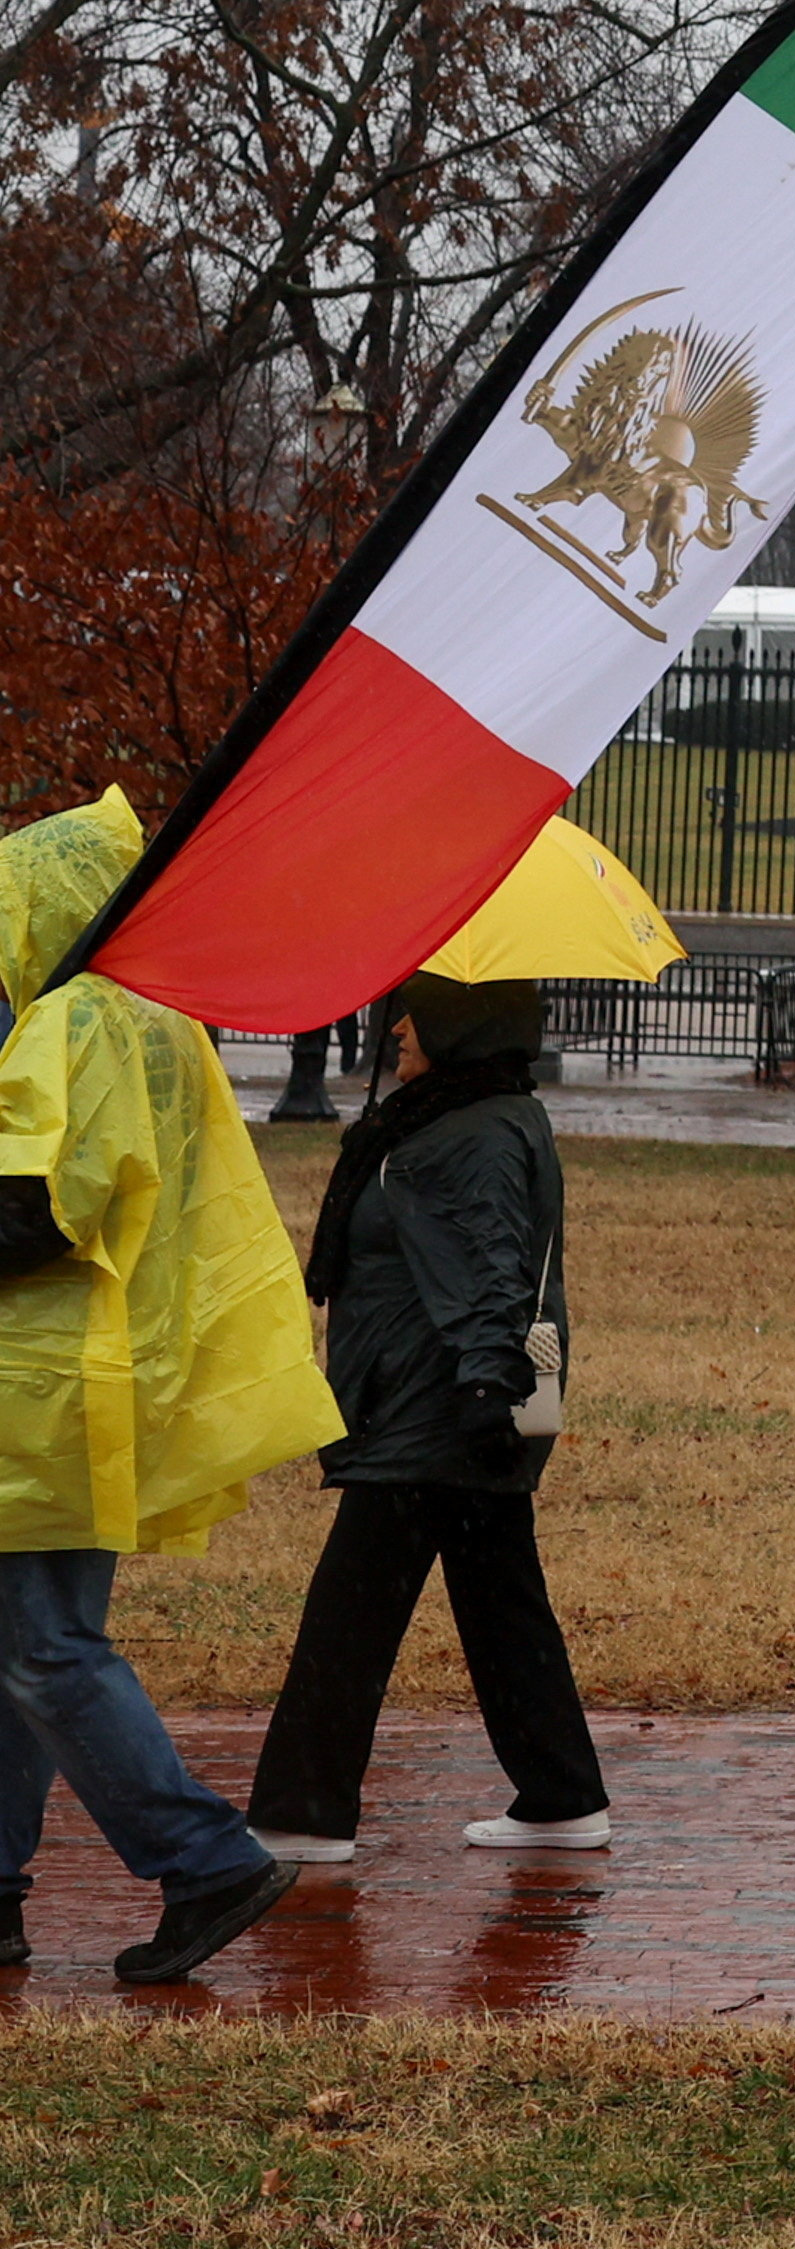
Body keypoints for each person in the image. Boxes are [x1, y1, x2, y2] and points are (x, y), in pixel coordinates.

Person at [0, 787, 340, 1983]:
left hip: (39, 1388)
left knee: (43, 1646)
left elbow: (30, 1208)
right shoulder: (153, 1019)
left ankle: (206, 1861)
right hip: (86, 1381)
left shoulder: (72, 1024)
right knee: (25, 1639)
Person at [242, 972, 609, 1861]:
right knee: (501, 1604)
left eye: (417, 1008)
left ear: (466, 1019)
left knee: (350, 1613)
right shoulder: (457, 1112)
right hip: (442, 1404)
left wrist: (484, 1390)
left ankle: (301, 1814)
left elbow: (494, 1268)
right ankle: (562, 1797)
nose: (394, 1024)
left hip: (434, 1411)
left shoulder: (471, 1130)